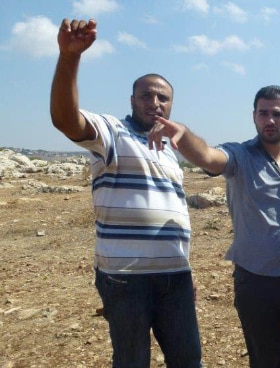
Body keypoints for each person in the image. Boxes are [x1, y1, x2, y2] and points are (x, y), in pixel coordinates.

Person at [49, 18, 202, 368]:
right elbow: (65, 119)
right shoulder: (113, 133)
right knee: (132, 361)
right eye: (146, 95)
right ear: (131, 99)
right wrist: (69, 58)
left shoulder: (169, 149)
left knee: (189, 360)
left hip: (175, 279)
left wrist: (185, 271)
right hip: (126, 279)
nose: (155, 102)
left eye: (163, 97)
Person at [148, 85, 280, 368]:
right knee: (264, 360)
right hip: (255, 280)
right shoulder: (240, 156)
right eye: (263, 113)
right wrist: (182, 134)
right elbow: (209, 157)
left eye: (278, 114)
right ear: (254, 116)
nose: (270, 120)